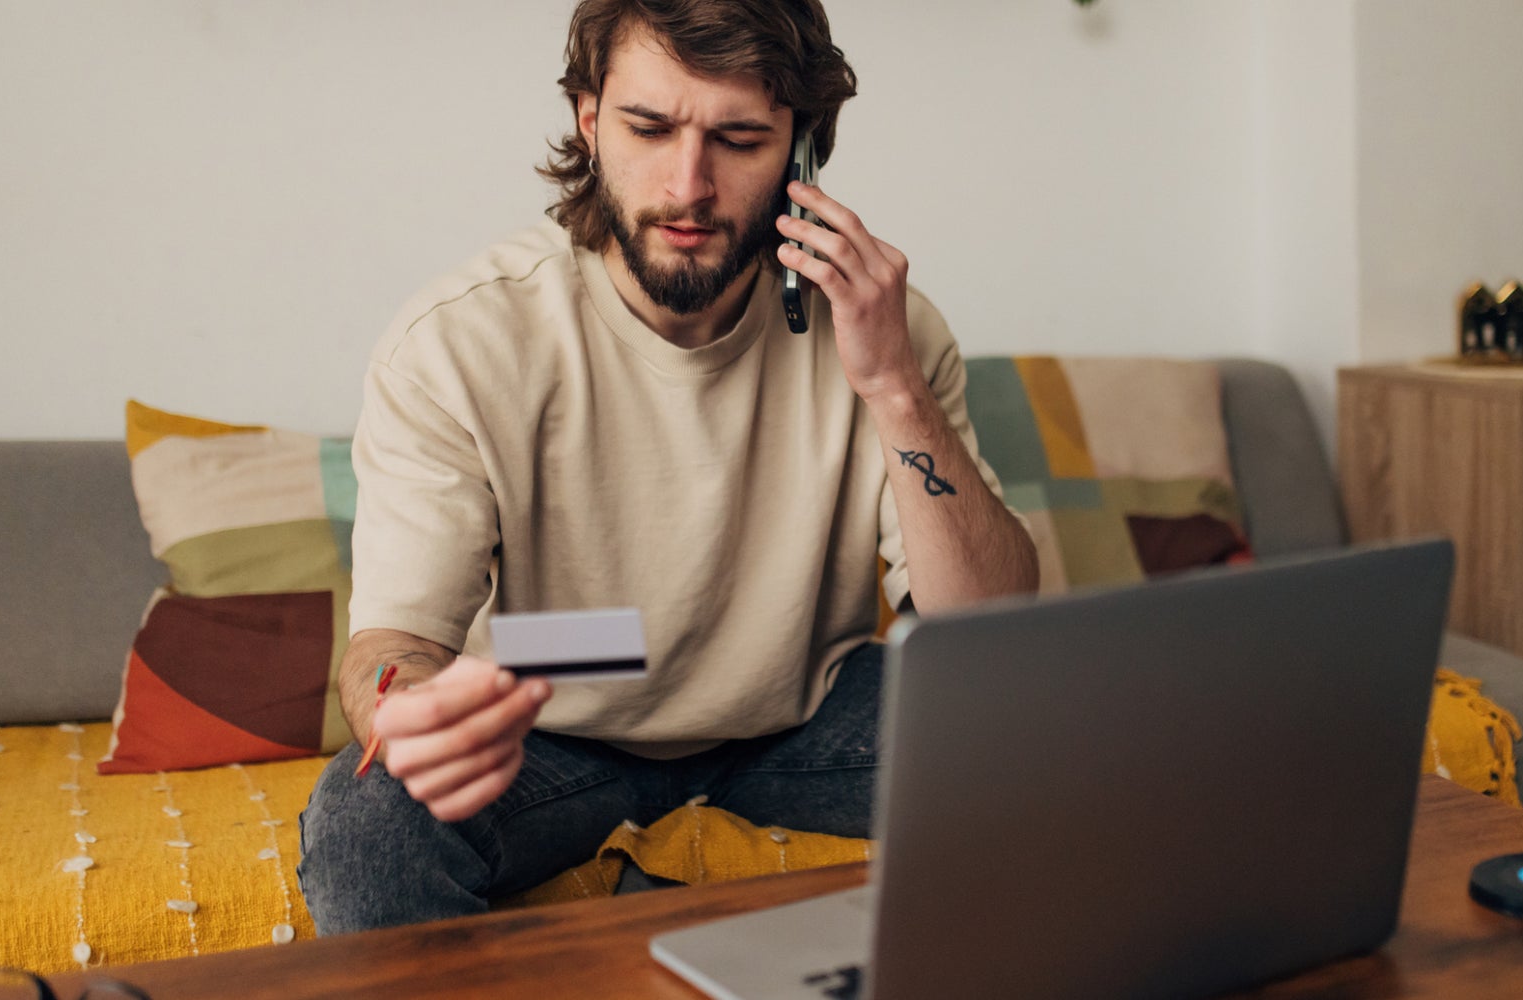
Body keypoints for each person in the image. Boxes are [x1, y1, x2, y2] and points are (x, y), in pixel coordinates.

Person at [297, 0, 1039, 934]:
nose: (689, 186)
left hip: (800, 712)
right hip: (552, 725)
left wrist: (893, 386)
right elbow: (395, 648)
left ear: (802, 151)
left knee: (1070, 728)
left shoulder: (886, 332)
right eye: (650, 128)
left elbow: (993, 631)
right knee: (365, 823)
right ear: (589, 119)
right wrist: (399, 715)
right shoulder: (457, 343)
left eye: (739, 139)